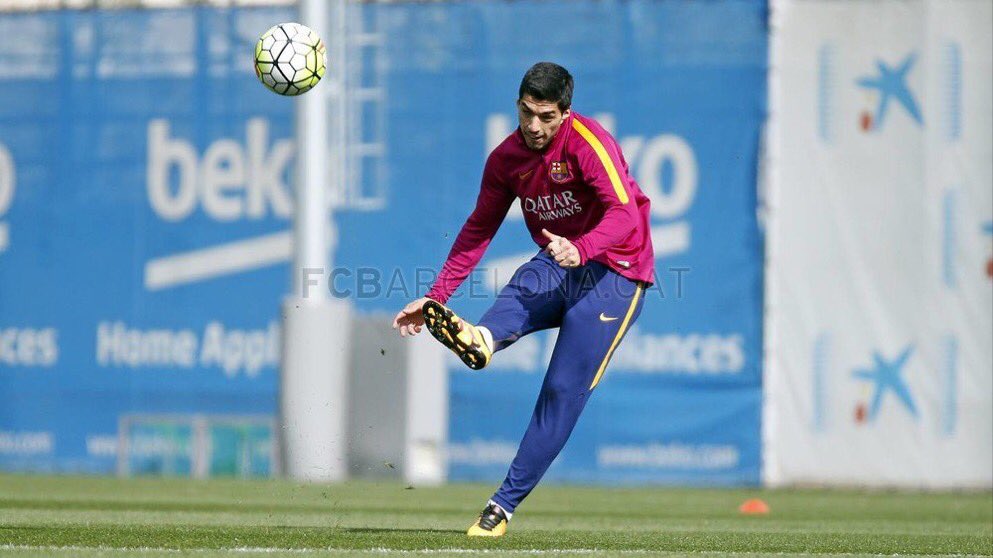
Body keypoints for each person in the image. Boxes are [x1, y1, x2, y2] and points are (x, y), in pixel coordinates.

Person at [392, 61, 655, 537]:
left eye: (546, 116)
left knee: (561, 390)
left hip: (617, 270)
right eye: (526, 112)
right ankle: (482, 339)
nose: (534, 126)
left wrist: (582, 248)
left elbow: (624, 215)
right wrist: (434, 298)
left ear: (566, 113)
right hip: (559, 260)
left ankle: (502, 506)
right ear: (517, 105)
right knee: (522, 286)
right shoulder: (506, 159)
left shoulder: (589, 142)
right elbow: (478, 229)